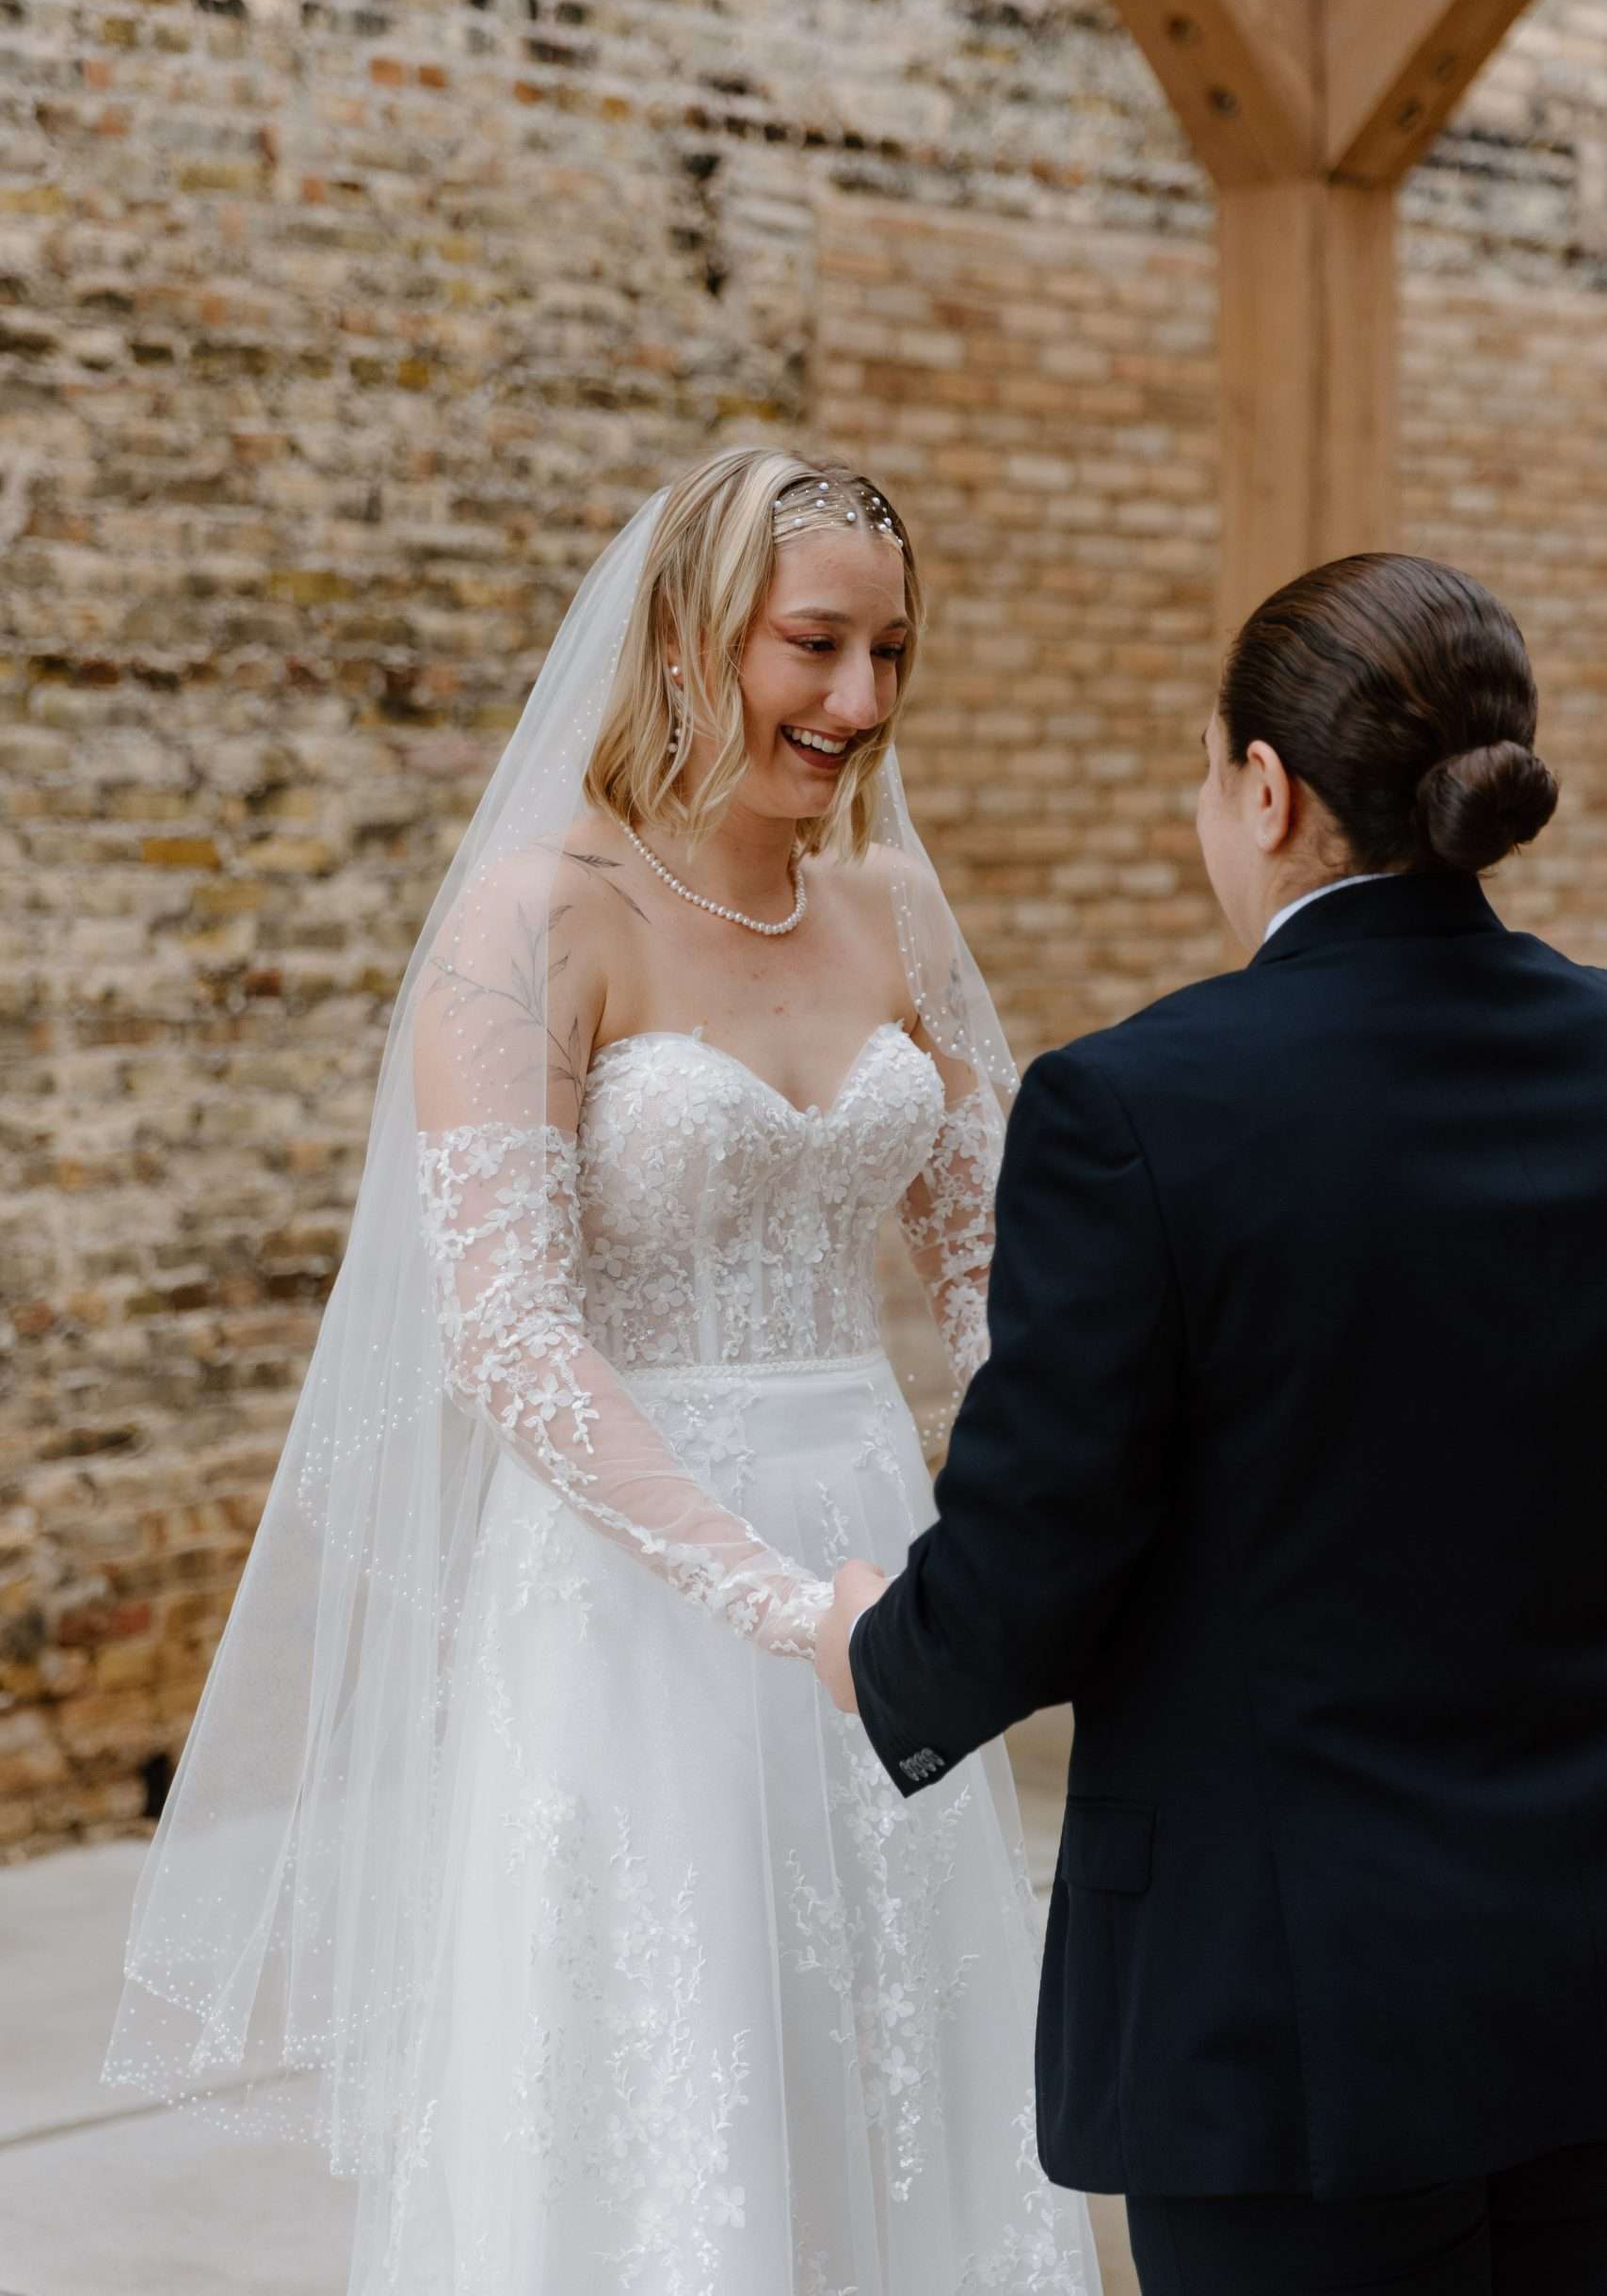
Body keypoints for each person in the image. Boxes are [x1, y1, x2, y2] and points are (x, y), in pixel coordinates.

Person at [101, 446, 1101, 2293]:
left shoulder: (892, 911)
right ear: (682, 634)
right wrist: (778, 1602)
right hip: (640, 1599)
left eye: (891, 652)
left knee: (895, 2068)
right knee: (679, 2091)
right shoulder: (535, 919)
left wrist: (1027, 1525)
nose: (858, 702)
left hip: (887, 1565)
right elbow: (505, 1335)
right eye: (812, 645)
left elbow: (1002, 1272)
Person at [821, 551, 1607, 2293]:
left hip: (1285, 2020)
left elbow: (1042, 1550)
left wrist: (878, 1655)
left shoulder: (1139, 1107)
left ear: (1266, 788)